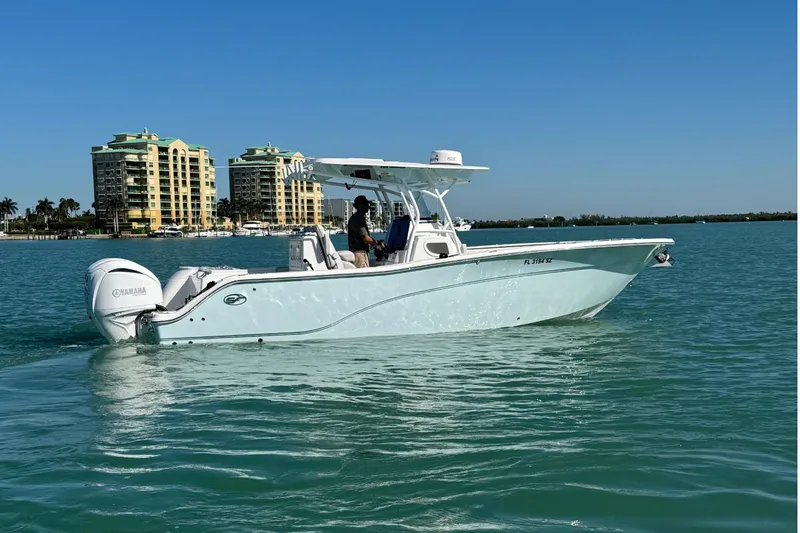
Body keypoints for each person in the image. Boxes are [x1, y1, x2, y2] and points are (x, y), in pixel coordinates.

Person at [347, 195, 383, 268]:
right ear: (360, 205)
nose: (368, 206)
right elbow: (366, 239)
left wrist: (373, 243)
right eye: (366, 204)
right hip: (360, 254)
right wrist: (379, 243)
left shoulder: (356, 218)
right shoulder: (358, 219)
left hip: (358, 253)